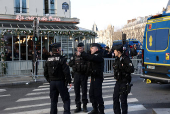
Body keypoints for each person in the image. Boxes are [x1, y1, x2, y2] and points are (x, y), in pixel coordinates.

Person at [44, 43, 72, 114]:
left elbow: (45, 72)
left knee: (53, 100)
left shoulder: (48, 59)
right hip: (61, 82)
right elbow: (66, 72)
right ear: (57, 50)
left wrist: (50, 80)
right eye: (60, 49)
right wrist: (69, 81)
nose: (61, 50)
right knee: (66, 99)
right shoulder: (62, 59)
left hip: (52, 82)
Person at [77, 43, 105, 114]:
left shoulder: (99, 55)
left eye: (92, 48)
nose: (91, 49)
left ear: (97, 49)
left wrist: (82, 53)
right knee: (91, 94)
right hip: (93, 77)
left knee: (98, 95)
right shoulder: (93, 55)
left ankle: (101, 111)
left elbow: (91, 58)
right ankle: (95, 109)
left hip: (98, 78)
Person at [112, 45, 134, 114]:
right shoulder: (117, 59)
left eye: (115, 51)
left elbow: (131, 69)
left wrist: (123, 66)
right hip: (118, 81)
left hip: (124, 81)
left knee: (123, 100)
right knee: (115, 98)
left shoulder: (125, 59)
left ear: (118, 52)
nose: (113, 52)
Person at [69, 42, 88, 113]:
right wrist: (73, 64)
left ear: (83, 48)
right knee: (76, 91)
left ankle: (84, 106)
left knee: (84, 91)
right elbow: (70, 63)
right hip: (76, 75)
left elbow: (88, 63)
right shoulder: (74, 55)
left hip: (83, 75)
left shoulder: (85, 55)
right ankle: (78, 106)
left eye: (80, 48)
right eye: (78, 48)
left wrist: (82, 55)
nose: (79, 49)